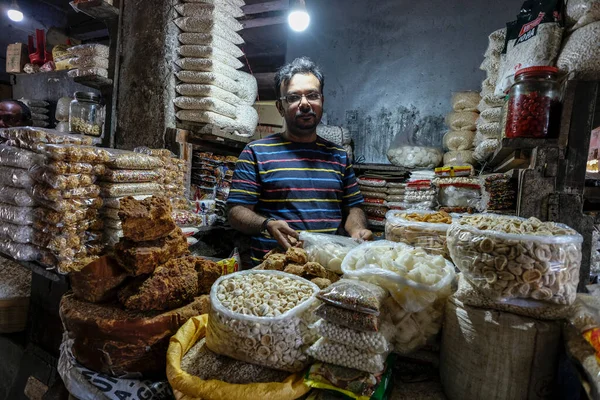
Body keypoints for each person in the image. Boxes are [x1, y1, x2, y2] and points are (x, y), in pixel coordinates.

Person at [227, 57, 372, 266]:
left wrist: (357, 230)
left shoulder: (339, 156)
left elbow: (353, 207)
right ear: (280, 107)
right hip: (274, 272)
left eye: (312, 95)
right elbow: (236, 211)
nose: (305, 104)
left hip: (327, 268)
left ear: (322, 101)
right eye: (294, 97)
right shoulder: (256, 152)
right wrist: (267, 224)